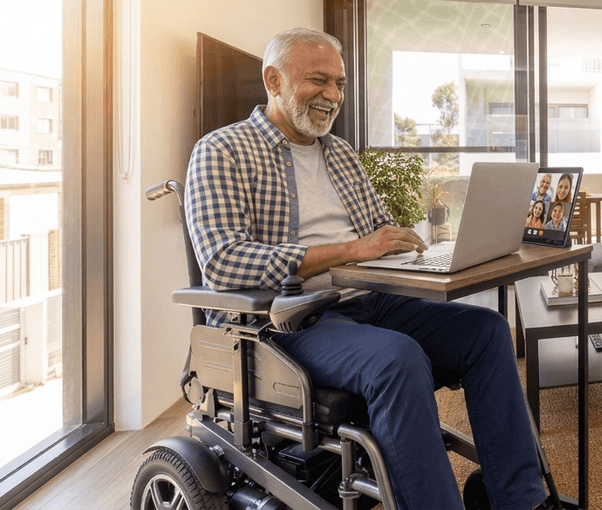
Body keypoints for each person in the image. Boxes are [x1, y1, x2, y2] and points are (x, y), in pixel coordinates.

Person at [185, 27, 548, 510]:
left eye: (339, 84)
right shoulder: (221, 150)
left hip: (369, 302)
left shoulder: (340, 154)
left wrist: (422, 250)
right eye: (319, 81)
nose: (333, 96)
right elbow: (222, 261)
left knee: (486, 330)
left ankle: (521, 500)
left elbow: (378, 230)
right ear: (273, 80)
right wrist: (351, 250)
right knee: (397, 359)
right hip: (287, 320)